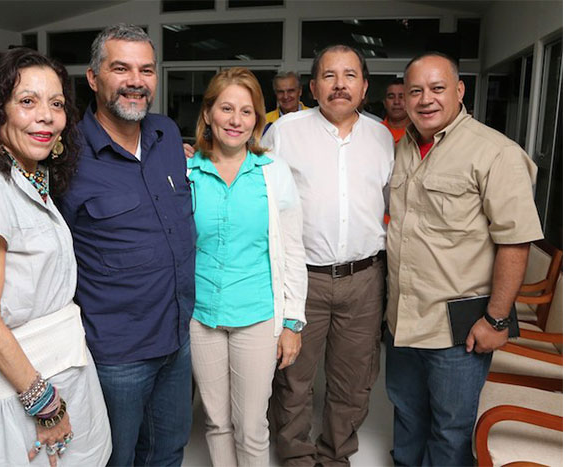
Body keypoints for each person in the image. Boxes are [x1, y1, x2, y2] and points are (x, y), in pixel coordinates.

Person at [0, 24, 196, 467]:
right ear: (93, 78)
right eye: (121, 68)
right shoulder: (64, 155)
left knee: (166, 451)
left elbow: (33, 242)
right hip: (113, 351)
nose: (135, 80)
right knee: (114, 457)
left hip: (174, 335)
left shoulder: (164, 136)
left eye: (146, 69)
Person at [0, 47, 111, 466]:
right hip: (29, 392)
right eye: (27, 101)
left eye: (57, 104)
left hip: (64, 372)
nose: (47, 116)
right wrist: (45, 405)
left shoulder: (32, 180)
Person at [385, 51, 544, 466]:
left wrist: (496, 319)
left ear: (459, 91)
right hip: (402, 320)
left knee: (450, 430)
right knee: (406, 415)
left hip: (457, 331)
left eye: (437, 88)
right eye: (415, 91)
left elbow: (515, 242)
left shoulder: (495, 152)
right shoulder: (403, 148)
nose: (425, 99)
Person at [262, 45, 394, 466]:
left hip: (364, 280)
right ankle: (296, 455)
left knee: (354, 378)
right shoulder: (284, 133)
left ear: (365, 86)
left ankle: (336, 454)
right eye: (329, 76)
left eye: (350, 75)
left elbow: (390, 204)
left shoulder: (381, 137)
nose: (340, 85)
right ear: (313, 87)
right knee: (293, 377)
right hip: (304, 279)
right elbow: (257, 191)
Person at [188, 67, 308, 466]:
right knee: (216, 421)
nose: (236, 120)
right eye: (226, 108)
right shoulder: (187, 171)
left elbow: (292, 250)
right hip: (201, 315)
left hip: (257, 314)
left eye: (246, 111)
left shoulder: (273, 172)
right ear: (208, 113)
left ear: (257, 118)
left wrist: (292, 323)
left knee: (252, 426)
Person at [381, 77, 410, 144]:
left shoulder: (420, 132)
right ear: (384, 103)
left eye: (401, 97)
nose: (396, 102)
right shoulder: (375, 131)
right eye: (391, 97)